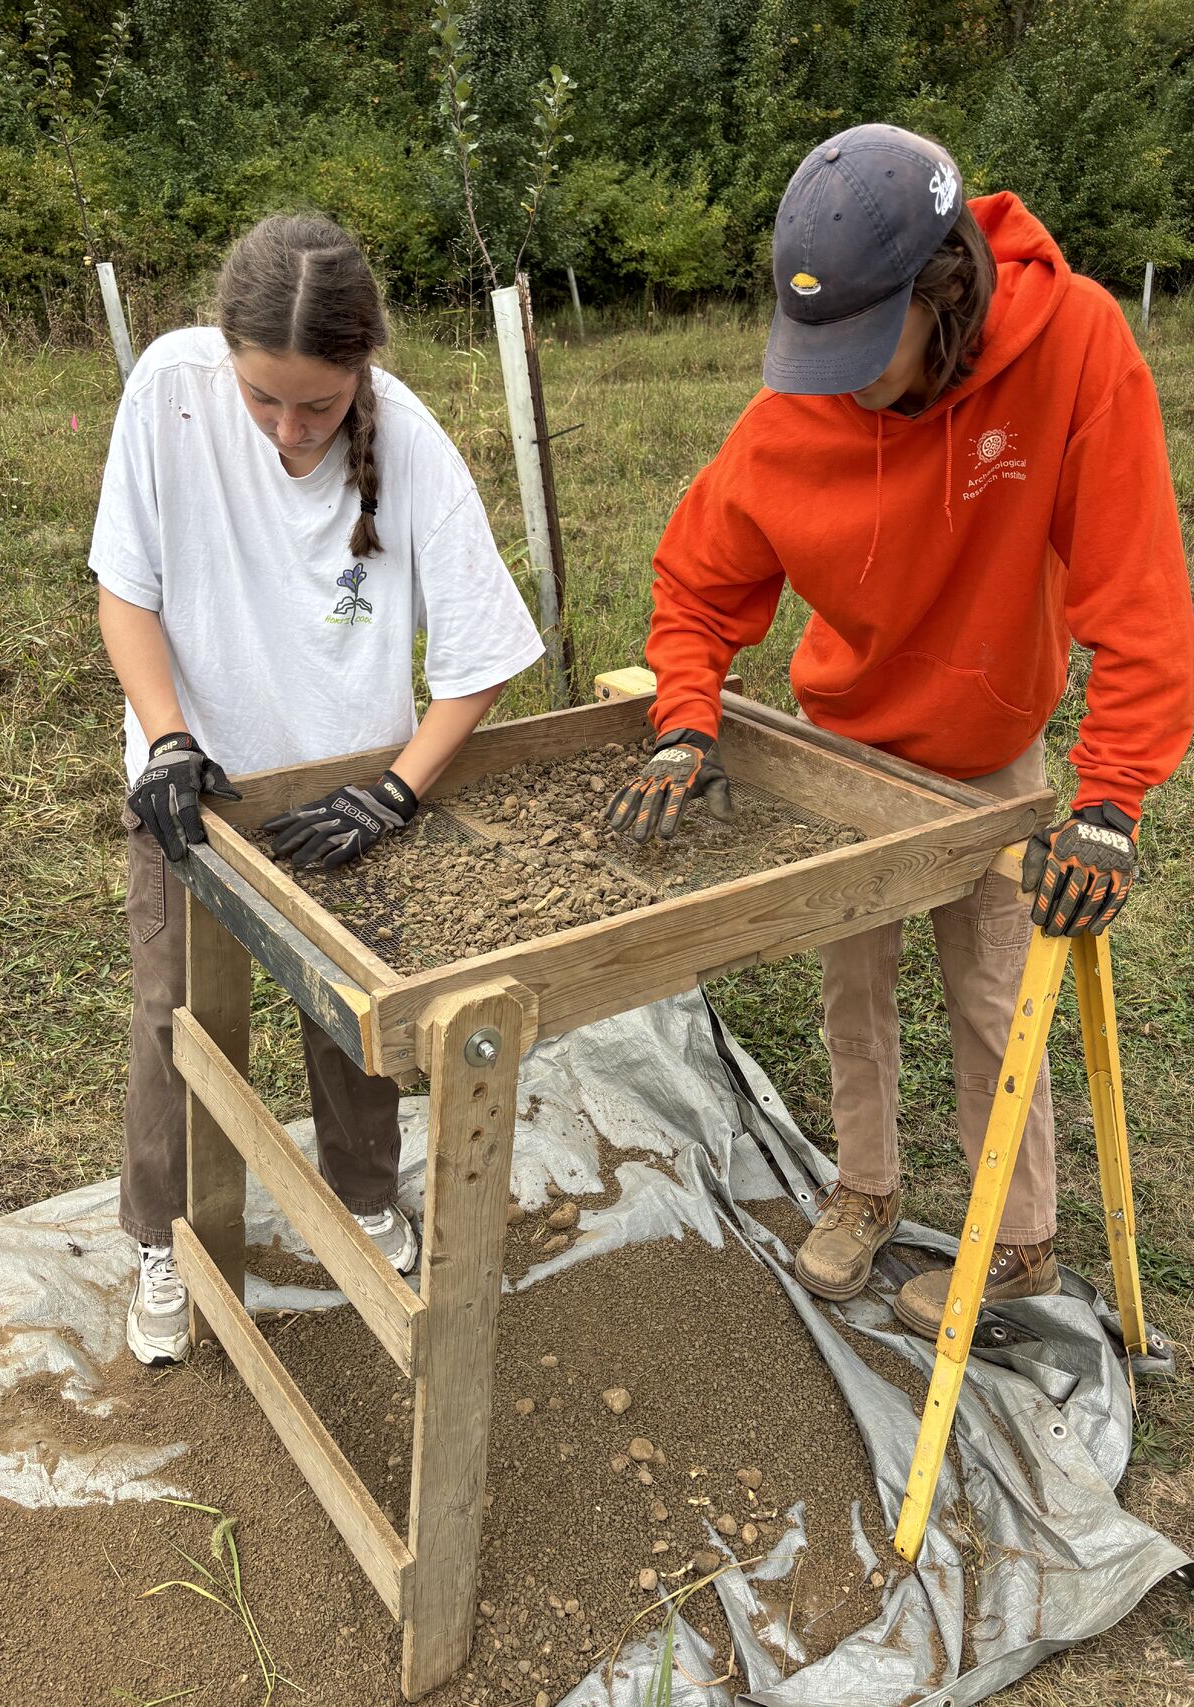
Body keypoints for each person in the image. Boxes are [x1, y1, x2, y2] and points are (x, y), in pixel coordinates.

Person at [608, 124, 1194, 1334]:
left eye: (869, 350)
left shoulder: (1073, 343)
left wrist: (1107, 803)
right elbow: (698, 583)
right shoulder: (798, 408)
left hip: (987, 757)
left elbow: (1138, 595)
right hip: (845, 758)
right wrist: (682, 724)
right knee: (850, 989)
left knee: (993, 1002)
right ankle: (863, 1192)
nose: (848, 379)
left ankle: (1016, 1244)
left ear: (949, 291)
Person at [92, 214, 544, 1366]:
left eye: (319, 407)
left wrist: (392, 794)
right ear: (226, 357)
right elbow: (126, 592)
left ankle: (362, 1194)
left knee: (354, 1016)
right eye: (264, 400)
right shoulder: (170, 392)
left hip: (346, 785)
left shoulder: (413, 445)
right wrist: (170, 741)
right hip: (192, 780)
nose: (290, 430)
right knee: (173, 1014)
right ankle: (166, 1235)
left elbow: (481, 661)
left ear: (362, 372)